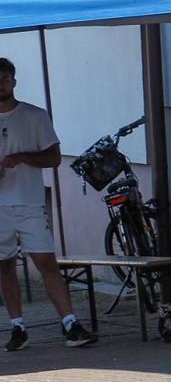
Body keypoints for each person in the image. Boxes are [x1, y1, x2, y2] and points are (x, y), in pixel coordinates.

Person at [0, 57, 94, 349]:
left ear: (14, 80)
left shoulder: (34, 115)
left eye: (5, 78)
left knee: (46, 263)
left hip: (29, 202)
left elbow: (53, 158)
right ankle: (18, 327)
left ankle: (70, 323)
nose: (1, 83)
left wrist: (23, 157)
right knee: (4, 267)